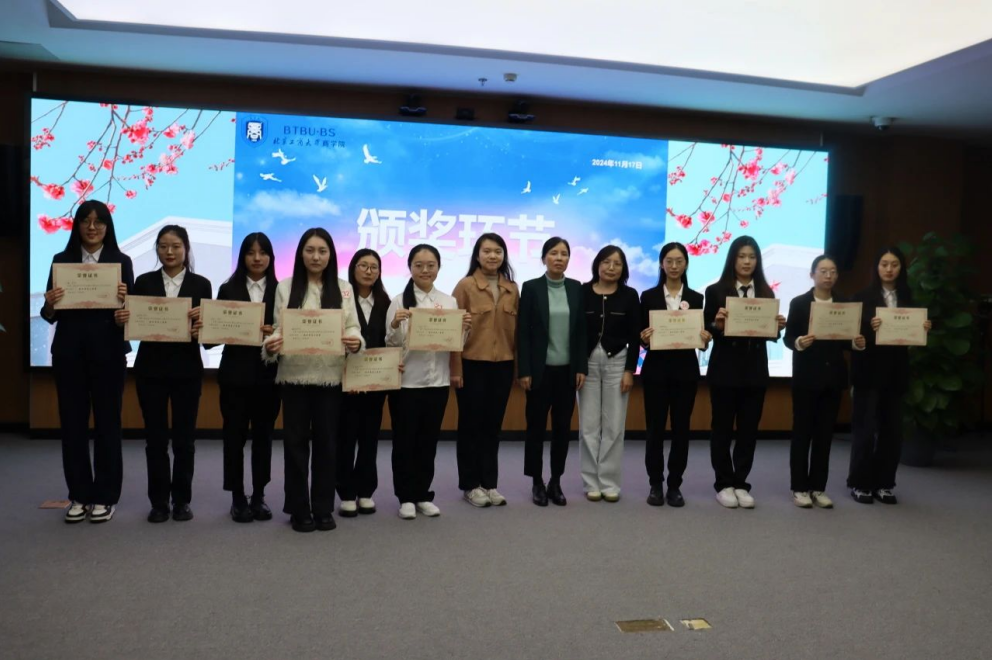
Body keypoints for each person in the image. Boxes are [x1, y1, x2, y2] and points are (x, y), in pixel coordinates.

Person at [263, 228, 363, 532]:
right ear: (300, 254)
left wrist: (356, 341)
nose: (316, 257)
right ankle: (298, 508)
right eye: (310, 250)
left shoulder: (344, 288)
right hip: (293, 377)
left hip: (329, 377)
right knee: (294, 445)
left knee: (326, 444)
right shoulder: (285, 286)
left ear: (331, 255)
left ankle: (322, 507)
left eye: (322, 251)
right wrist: (271, 345)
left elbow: (353, 327)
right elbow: (279, 328)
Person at [41, 200, 133, 524]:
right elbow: (49, 314)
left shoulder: (121, 262)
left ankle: (105, 496)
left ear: (108, 227)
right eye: (85, 221)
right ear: (77, 225)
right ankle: (79, 495)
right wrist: (50, 304)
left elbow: (130, 313)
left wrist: (124, 308)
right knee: (73, 426)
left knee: (108, 425)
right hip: (69, 355)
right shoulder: (60, 260)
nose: (92, 228)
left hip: (109, 354)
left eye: (99, 222)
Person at [125, 225, 212, 523]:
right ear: (157, 249)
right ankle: (159, 501)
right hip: (150, 371)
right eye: (163, 246)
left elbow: (207, 333)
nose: (169, 252)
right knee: (155, 440)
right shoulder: (144, 281)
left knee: (185, 440)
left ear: (186, 248)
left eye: (175, 246)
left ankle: (182, 501)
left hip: (187, 371)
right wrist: (125, 318)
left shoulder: (201, 284)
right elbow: (135, 323)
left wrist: (202, 328)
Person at [385, 244, 471, 520]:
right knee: (404, 441)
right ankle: (405, 497)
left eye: (431, 265)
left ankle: (422, 494)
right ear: (410, 267)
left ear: (438, 268)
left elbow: (454, 344)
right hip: (407, 383)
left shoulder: (449, 302)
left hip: (438, 382)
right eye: (419, 265)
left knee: (428, 441)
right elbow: (390, 344)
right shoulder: (399, 301)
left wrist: (464, 329)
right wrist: (395, 325)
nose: (425, 270)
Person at [703, 235, 786, 509]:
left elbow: (767, 334)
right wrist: (716, 325)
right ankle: (723, 483)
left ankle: (741, 483)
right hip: (724, 369)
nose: (747, 262)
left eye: (752, 257)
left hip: (755, 370)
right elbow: (706, 328)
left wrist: (777, 327)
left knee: (749, 429)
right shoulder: (715, 291)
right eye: (742, 256)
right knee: (722, 428)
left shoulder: (766, 292)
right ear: (733, 259)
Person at [848, 245, 931, 505]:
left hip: (895, 373)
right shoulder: (861, 298)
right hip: (868, 372)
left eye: (894, 264)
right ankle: (860, 483)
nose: (889, 269)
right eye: (884, 264)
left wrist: (923, 327)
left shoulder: (909, 298)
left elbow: (912, 336)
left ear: (901, 268)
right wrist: (868, 327)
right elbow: (852, 336)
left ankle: (884, 483)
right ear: (876, 267)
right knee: (865, 430)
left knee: (892, 431)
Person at [783, 255, 866, 509]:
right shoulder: (799, 303)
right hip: (806, 378)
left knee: (824, 435)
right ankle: (799, 487)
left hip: (833, 379)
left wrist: (856, 343)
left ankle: (818, 487)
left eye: (833, 271)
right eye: (823, 271)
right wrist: (799, 342)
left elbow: (846, 340)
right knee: (802, 434)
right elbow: (788, 338)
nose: (828, 276)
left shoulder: (845, 304)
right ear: (812, 274)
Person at [212, 233, 280, 523]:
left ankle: (259, 495)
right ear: (242, 257)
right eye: (251, 252)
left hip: (268, 377)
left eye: (262, 252)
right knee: (234, 438)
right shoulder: (228, 289)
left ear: (271, 257)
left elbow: (290, 331)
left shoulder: (281, 290)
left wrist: (275, 334)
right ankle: (237, 496)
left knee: (264, 438)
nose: (257, 258)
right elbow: (213, 335)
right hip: (234, 377)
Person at [639, 242, 711, 508]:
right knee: (655, 430)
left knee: (681, 430)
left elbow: (701, 339)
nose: (674, 266)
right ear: (661, 264)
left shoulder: (696, 297)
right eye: (669, 261)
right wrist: (643, 338)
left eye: (679, 261)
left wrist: (705, 339)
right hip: (655, 372)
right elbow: (641, 335)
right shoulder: (648, 296)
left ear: (686, 264)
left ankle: (675, 485)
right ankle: (655, 484)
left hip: (685, 372)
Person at [517, 237, 588, 507]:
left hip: (567, 372)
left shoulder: (576, 288)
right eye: (554, 253)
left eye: (564, 254)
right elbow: (523, 332)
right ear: (544, 257)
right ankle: (536, 481)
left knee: (562, 429)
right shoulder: (531, 287)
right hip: (539, 372)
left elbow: (580, 331)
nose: (559, 258)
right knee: (535, 428)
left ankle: (555, 481)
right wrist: (524, 370)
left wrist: (581, 366)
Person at [453, 234, 519, 508]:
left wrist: (518, 370)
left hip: (502, 366)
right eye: (487, 251)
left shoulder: (512, 288)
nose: (493, 256)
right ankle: (470, 485)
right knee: (471, 426)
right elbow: (453, 332)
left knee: (493, 427)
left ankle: (489, 484)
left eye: (498, 251)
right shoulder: (465, 286)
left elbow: (517, 333)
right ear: (477, 255)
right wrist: (456, 369)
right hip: (472, 365)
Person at [577, 245, 640, 503]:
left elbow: (635, 336)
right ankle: (591, 482)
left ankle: (610, 483)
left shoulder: (630, 295)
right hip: (588, 365)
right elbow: (576, 331)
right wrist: (579, 367)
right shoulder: (582, 291)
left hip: (618, 363)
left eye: (617, 263)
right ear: (597, 264)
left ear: (623, 268)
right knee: (588, 426)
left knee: (614, 426)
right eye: (606, 262)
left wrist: (629, 371)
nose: (611, 267)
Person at [336, 249, 391, 517]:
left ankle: (366, 491)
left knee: (370, 439)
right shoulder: (341, 299)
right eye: (363, 266)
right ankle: (346, 493)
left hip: (375, 383)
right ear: (353, 268)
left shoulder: (386, 302)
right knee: (345, 439)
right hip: (345, 383)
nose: (369, 271)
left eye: (374, 267)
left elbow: (389, 342)